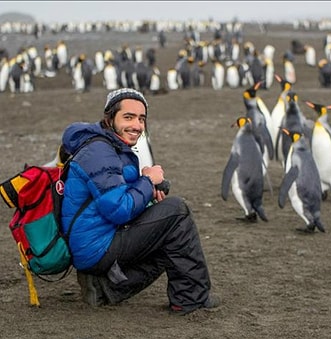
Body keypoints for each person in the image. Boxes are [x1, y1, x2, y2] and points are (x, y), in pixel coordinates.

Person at [60, 88, 219, 315]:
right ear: (109, 118)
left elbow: (113, 191)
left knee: (168, 226)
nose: (136, 125)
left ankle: (106, 287)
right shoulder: (99, 152)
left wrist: (147, 188)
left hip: (94, 241)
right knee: (176, 212)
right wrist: (146, 180)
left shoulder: (109, 146)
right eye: (128, 117)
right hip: (95, 246)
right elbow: (118, 209)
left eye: (141, 119)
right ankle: (189, 299)